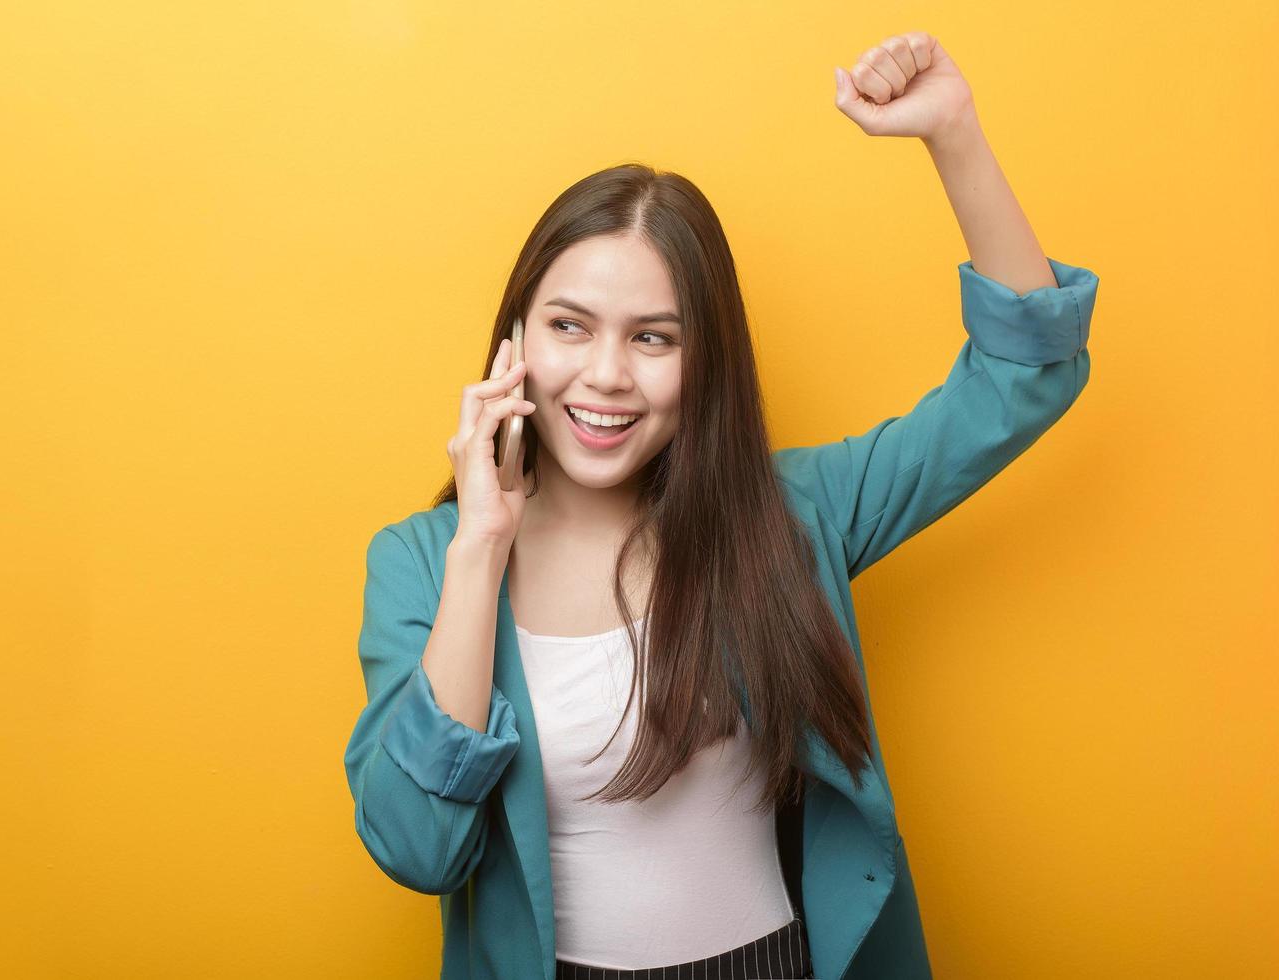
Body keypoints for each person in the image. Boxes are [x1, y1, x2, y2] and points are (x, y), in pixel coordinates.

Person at [343, 31, 1099, 980]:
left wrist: (953, 133)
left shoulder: (788, 518)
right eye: (569, 326)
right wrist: (482, 543)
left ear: (706, 364)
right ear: (513, 341)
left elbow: (1023, 377)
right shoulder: (425, 562)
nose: (606, 376)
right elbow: (417, 849)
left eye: (654, 337)